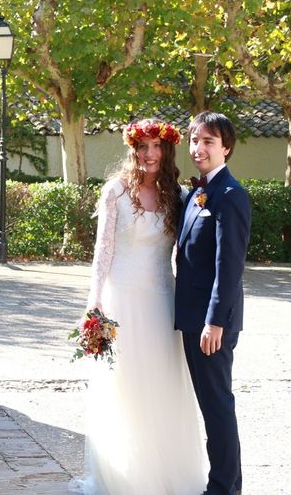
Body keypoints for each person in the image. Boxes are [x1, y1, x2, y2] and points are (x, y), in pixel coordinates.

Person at [70, 118, 206, 495]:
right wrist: (94, 301)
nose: (149, 154)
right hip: (122, 299)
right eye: (142, 147)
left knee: (162, 385)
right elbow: (103, 249)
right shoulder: (116, 191)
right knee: (126, 388)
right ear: (133, 151)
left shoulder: (176, 196)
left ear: (167, 151)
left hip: (162, 298)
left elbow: (189, 252)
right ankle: (126, 477)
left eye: (156, 147)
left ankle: (164, 473)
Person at [174, 111, 252, 495]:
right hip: (191, 318)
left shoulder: (231, 195)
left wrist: (215, 322)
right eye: (194, 140)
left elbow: (229, 266)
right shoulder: (196, 193)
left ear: (226, 148)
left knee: (218, 406)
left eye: (208, 141)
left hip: (212, 324)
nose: (199, 148)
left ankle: (223, 488)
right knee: (210, 405)